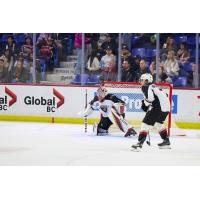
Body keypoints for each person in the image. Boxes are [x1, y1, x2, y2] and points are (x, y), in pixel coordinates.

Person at [131, 73, 171, 150]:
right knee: (158, 123)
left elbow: (150, 99)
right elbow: (165, 95)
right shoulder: (155, 86)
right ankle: (166, 141)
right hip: (166, 108)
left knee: (145, 124)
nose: (141, 81)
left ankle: (139, 143)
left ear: (146, 81)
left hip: (158, 108)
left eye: (142, 80)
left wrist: (145, 103)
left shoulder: (146, 87)